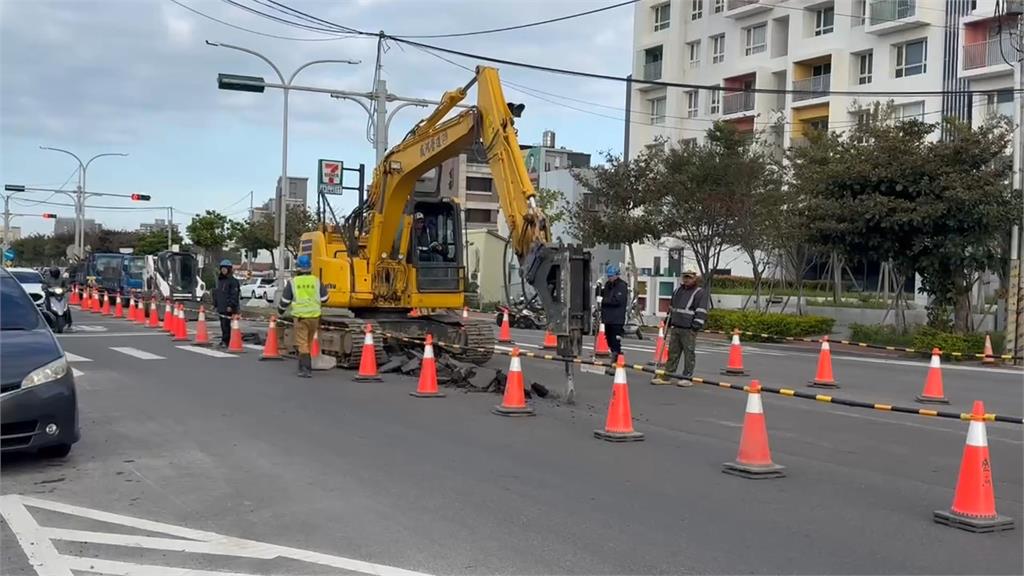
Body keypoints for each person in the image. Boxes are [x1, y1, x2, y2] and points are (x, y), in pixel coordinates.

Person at [654, 269, 709, 384]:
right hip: (676, 326)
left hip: (689, 328)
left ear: (695, 278)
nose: (687, 279)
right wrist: (667, 322)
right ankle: (667, 375)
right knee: (673, 352)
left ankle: (687, 377)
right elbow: (672, 308)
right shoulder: (677, 290)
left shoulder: (699, 293)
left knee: (689, 353)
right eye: (685, 277)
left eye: (689, 277)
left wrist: (696, 326)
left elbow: (701, 311)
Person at [278, 254, 328, 378]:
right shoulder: (316, 281)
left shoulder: (293, 282)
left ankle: (305, 368)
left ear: (298, 268)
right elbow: (325, 298)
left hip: (301, 317)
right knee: (308, 342)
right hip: (315, 317)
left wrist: (280, 311)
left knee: (302, 343)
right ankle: (306, 365)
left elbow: (285, 301)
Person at [599, 265, 629, 358]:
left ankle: (617, 358)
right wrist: (598, 287)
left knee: (615, 340)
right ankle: (614, 354)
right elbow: (601, 294)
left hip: (616, 319)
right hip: (608, 318)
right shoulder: (608, 285)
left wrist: (603, 301)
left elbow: (617, 301)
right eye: (608, 276)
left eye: (611, 276)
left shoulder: (622, 286)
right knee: (609, 339)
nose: (610, 278)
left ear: (616, 275)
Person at [212, 259, 240, 348]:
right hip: (221, 306)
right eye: (222, 268)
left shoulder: (233, 281)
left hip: (228, 307)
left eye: (225, 268)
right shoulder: (220, 280)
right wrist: (215, 304)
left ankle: (226, 341)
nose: (223, 270)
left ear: (229, 269)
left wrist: (230, 305)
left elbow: (234, 295)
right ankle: (224, 340)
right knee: (223, 325)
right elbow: (217, 293)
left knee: (226, 325)